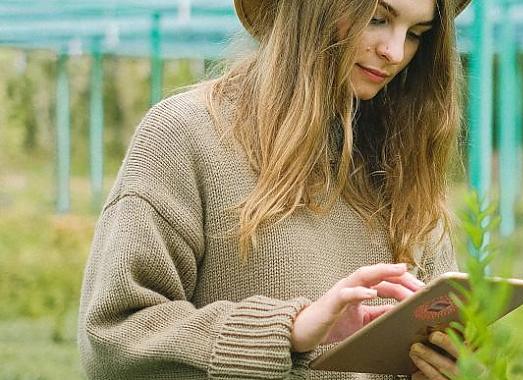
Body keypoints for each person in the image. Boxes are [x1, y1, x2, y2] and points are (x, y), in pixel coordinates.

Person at [78, 0, 470, 378]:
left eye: (417, 33)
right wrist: (290, 332)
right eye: (378, 18)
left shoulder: (404, 159)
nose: (396, 52)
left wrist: (442, 368)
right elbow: (114, 337)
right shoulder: (186, 134)